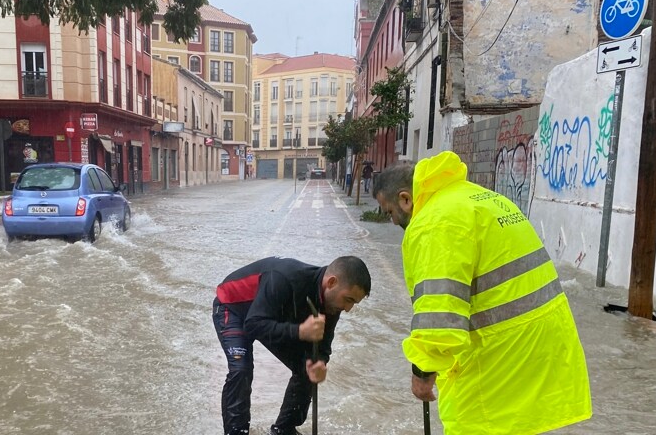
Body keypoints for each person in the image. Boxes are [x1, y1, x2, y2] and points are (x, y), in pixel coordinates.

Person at [372, 151, 591, 434]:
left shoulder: (434, 222)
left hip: (499, 356)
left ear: (405, 199)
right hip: (542, 348)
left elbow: (440, 319)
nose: (391, 221)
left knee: (473, 425)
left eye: (389, 211)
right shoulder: (481, 198)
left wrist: (422, 373)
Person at [213, 256, 372, 435]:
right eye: (348, 299)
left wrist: (319, 363)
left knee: (308, 368)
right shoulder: (285, 277)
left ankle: (284, 429)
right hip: (233, 309)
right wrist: (299, 331)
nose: (348, 308)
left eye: (353, 303)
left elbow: (323, 346)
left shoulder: (332, 303)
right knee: (241, 369)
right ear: (331, 282)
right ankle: (236, 431)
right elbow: (252, 325)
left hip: (269, 316)